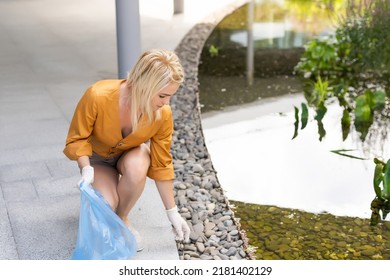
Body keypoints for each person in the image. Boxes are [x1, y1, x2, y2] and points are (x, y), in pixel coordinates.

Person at [63, 49, 191, 252]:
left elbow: (162, 163)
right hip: (97, 161)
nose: (166, 103)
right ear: (146, 87)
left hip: (129, 156)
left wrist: (172, 212)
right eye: (162, 95)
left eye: (170, 96)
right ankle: (105, 203)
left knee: (140, 161)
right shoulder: (97, 95)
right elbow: (77, 139)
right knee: (107, 203)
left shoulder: (162, 114)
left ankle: (122, 218)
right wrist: (86, 169)